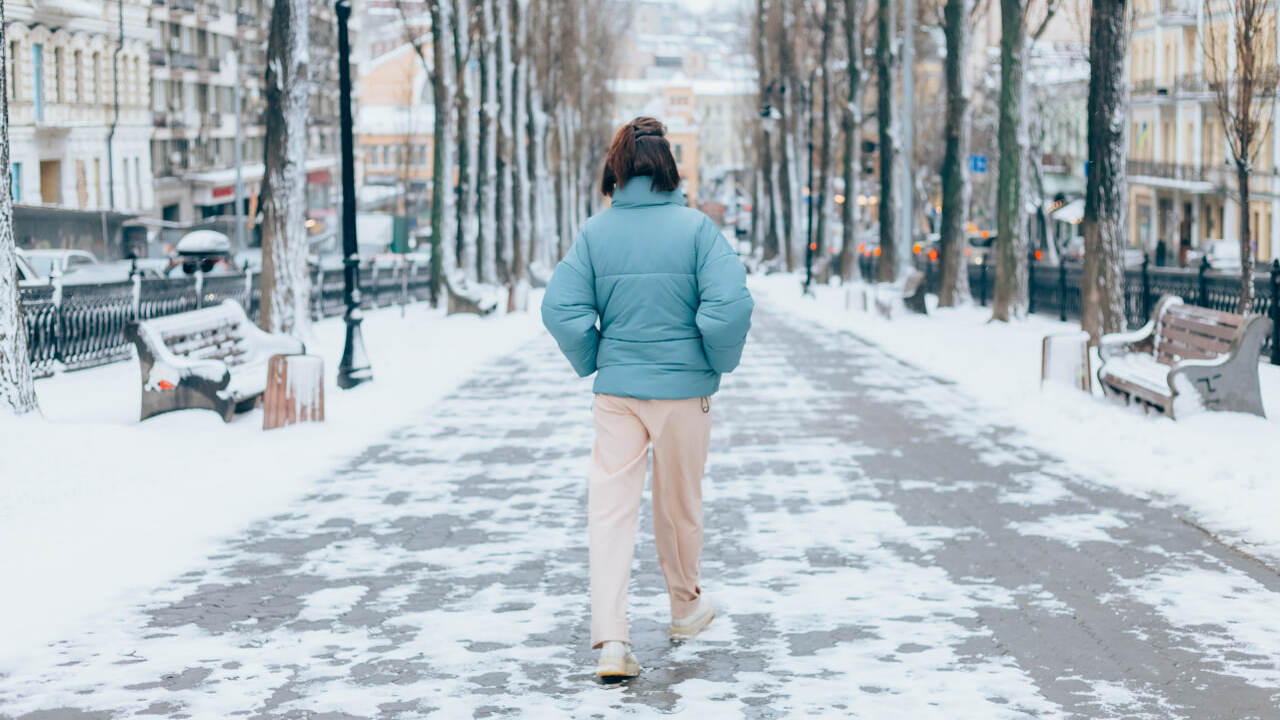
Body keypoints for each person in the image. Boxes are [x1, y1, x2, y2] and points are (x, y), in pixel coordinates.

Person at [541, 117, 754, 681]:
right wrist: (715, 361)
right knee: (678, 504)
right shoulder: (698, 230)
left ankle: (612, 639)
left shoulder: (595, 233)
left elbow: (558, 310)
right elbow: (729, 308)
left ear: (616, 170)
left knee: (609, 511)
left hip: (617, 394)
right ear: (669, 170)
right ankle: (684, 608)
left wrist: (596, 357)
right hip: (684, 394)